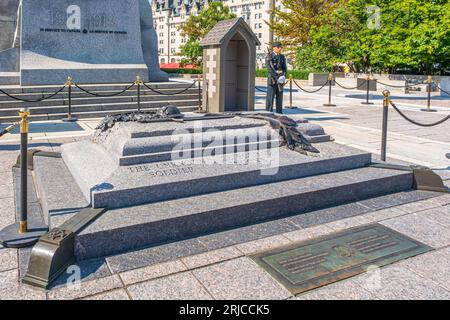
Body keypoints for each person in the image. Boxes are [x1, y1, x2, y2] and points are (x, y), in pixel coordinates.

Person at [266, 42, 287, 114]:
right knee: (270, 98)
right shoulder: (269, 57)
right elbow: (270, 69)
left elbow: (284, 68)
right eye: (278, 47)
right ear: (274, 48)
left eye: (280, 47)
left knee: (279, 98)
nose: (280, 48)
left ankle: (279, 113)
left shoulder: (282, 57)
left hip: (280, 79)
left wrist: (283, 76)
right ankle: (268, 113)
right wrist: (276, 77)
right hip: (272, 80)